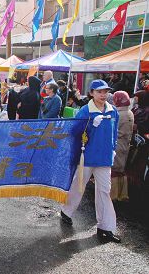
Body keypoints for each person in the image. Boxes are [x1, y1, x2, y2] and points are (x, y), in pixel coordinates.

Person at [61, 79, 121, 243]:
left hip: (104, 158)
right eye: (99, 91)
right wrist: (89, 126)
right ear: (92, 93)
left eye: (105, 91)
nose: (103, 94)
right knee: (78, 186)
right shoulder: (85, 111)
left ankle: (105, 227)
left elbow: (115, 132)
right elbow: (74, 132)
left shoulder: (113, 111)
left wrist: (113, 148)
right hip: (86, 157)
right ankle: (66, 211)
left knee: (104, 192)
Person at [110, 91, 134, 202]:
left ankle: (113, 195)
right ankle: (122, 194)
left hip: (117, 143)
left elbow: (114, 130)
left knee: (114, 170)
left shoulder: (119, 114)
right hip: (125, 144)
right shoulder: (129, 112)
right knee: (120, 170)